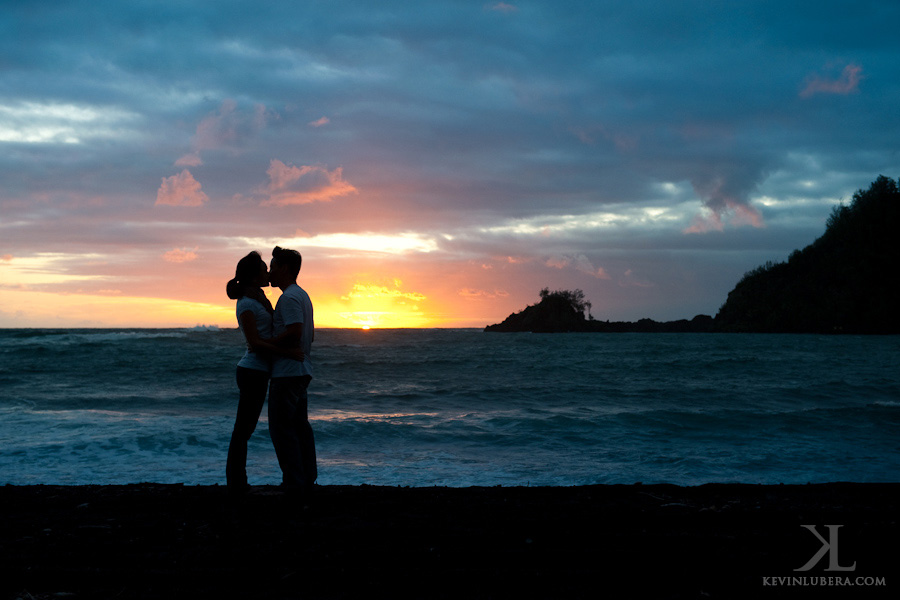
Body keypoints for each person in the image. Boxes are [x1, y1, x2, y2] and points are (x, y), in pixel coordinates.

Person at [224, 251, 301, 495]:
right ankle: (236, 483)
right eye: (263, 268)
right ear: (253, 275)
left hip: (258, 371)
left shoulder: (257, 300)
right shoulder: (247, 304)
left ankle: (238, 482)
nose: (268, 272)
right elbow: (255, 343)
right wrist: (287, 352)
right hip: (252, 372)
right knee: (243, 430)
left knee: (245, 429)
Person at [266, 245, 317, 497]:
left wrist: (265, 344)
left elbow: (295, 331)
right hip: (301, 370)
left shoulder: (288, 298)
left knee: (281, 429)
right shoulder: (302, 296)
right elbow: (310, 335)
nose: (269, 271)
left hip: (288, 373)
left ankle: (294, 483)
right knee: (299, 427)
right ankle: (306, 479)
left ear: (284, 268)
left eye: (273, 266)